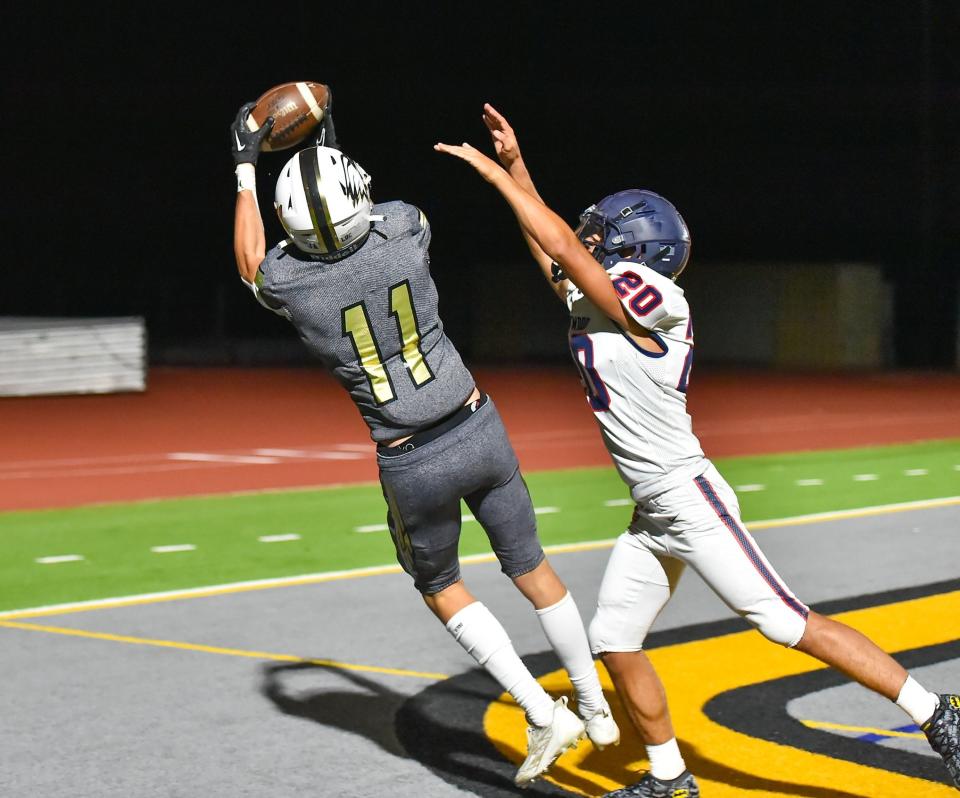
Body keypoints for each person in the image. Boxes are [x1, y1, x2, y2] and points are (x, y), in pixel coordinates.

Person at [434, 104, 960, 797]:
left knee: (786, 622)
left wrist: (498, 180)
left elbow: (561, 247)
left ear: (638, 252)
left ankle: (937, 713)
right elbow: (555, 256)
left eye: (605, 234)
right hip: (654, 510)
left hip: (690, 497)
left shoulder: (653, 295)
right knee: (615, 641)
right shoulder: (603, 296)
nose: (591, 238)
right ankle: (670, 780)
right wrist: (517, 168)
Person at [228, 100, 620, 787]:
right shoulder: (407, 228)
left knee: (440, 586)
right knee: (533, 570)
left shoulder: (293, 287)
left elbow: (251, 259)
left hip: (412, 460)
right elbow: (365, 210)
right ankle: (593, 703)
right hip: (478, 425)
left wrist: (243, 167)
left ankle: (540, 711)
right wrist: (331, 148)